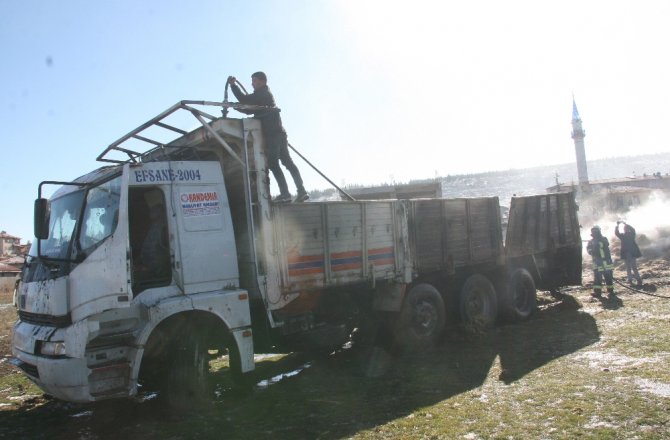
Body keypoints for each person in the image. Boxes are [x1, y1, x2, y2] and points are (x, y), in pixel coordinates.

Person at [227, 72, 309, 203]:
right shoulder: (263, 96)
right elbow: (250, 109)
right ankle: (301, 191)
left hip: (273, 134)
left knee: (273, 163)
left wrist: (233, 86)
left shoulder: (263, 93)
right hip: (279, 133)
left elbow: (246, 101)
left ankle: (285, 193)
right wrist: (236, 106)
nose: (252, 84)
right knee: (287, 162)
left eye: (254, 81)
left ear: (262, 81)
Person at [586, 225, 615, 299]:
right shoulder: (591, 241)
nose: (594, 232)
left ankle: (611, 291)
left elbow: (605, 244)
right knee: (597, 279)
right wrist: (591, 250)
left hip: (606, 262)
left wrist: (597, 243)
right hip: (597, 263)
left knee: (608, 277)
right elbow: (588, 250)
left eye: (596, 231)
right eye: (593, 231)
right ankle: (597, 292)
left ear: (599, 231)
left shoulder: (603, 239)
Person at [614, 221, 643, 286]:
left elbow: (633, 229)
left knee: (634, 267)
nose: (625, 230)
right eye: (625, 229)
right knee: (628, 267)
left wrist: (626, 224)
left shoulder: (632, 234)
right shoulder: (623, 236)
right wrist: (617, 226)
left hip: (632, 253)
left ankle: (638, 280)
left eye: (626, 228)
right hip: (626, 253)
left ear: (628, 229)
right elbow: (616, 233)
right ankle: (630, 280)